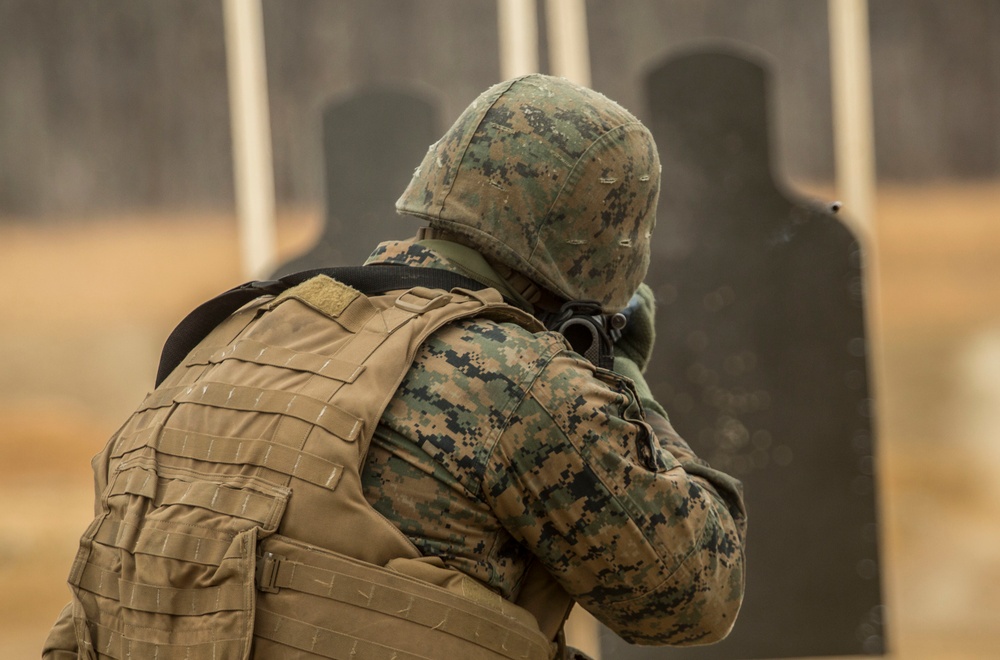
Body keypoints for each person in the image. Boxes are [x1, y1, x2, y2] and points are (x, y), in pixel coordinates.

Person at [44, 74, 746, 660]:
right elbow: (694, 597)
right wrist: (627, 386)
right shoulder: (516, 378)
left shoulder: (233, 331)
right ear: (601, 249)